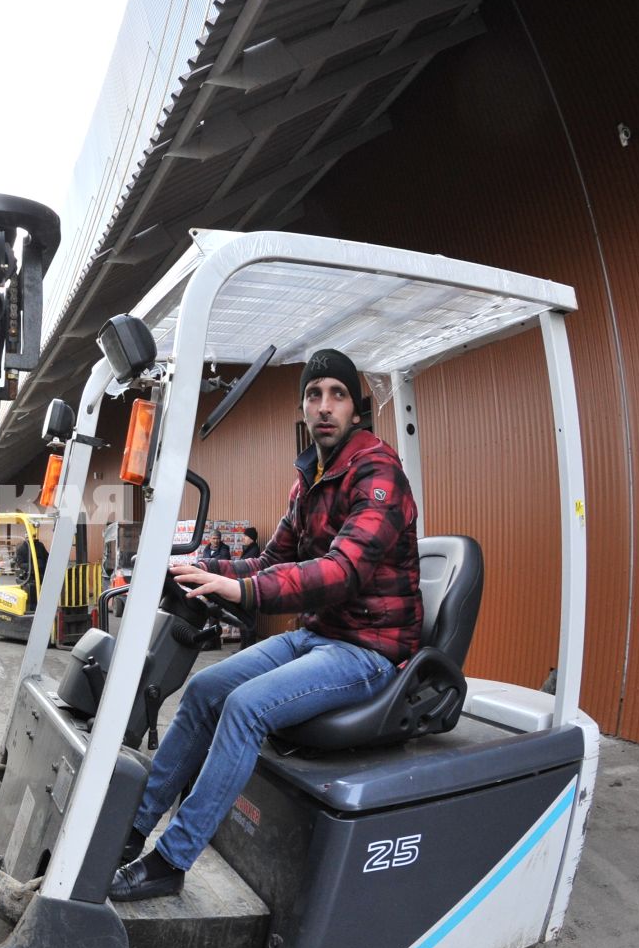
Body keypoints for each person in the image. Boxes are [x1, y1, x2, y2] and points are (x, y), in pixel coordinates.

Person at [111, 349, 422, 902]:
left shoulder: (378, 474)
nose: (324, 407)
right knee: (205, 688)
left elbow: (342, 571)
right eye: (313, 394)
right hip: (317, 637)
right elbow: (269, 560)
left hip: (369, 649)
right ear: (303, 406)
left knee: (245, 706)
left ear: (356, 408)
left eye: (337, 394)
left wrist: (246, 591)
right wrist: (199, 569)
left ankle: (172, 859)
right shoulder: (309, 481)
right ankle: (131, 829)